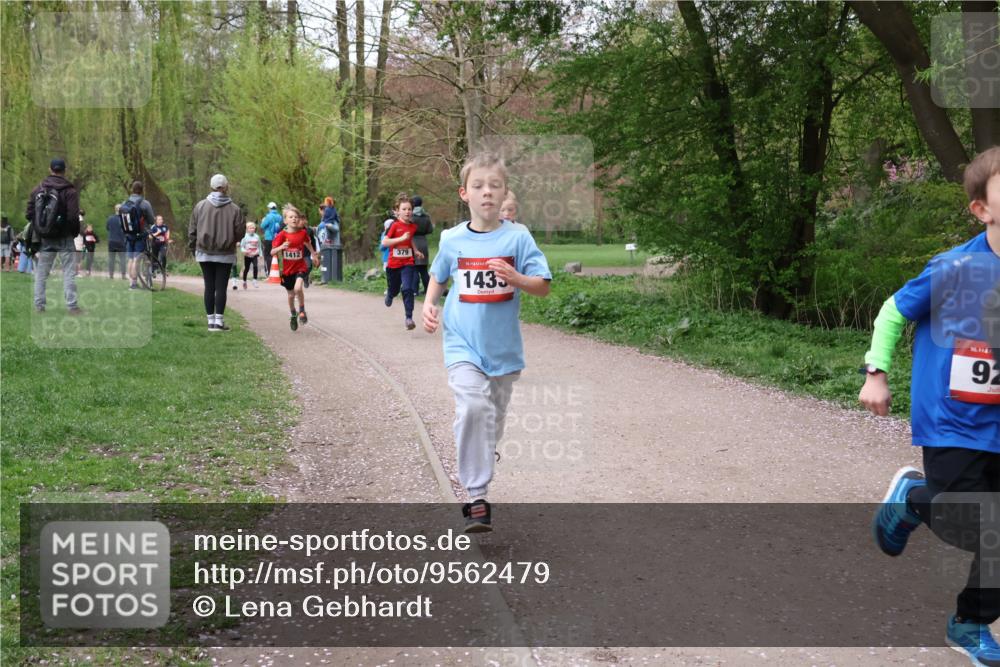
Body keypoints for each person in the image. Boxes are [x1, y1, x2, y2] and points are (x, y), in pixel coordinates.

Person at [860, 146, 1000, 666]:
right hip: (954, 422)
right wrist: (876, 372)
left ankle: (970, 624)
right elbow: (892, 313)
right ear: (981, 210)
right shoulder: (956, 268)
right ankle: (917, 499)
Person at [421, 153, 552, 532]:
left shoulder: (518, 237)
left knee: (491, 419)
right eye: (478, 186)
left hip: (503, 350)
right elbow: (438, 275)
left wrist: (515, 277)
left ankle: (482, 451)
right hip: (462, 343)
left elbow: (542, 286)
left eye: (494, 185)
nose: (487, 192)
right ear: (465, 194)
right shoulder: (451, 239)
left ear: (504, 192)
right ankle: (476, 498)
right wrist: (430, 305)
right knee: (473, 408)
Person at [188, 174, 243, 332]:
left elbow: (192, 230)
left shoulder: (200, 206)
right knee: (221, 287)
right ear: (226, 187)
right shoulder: (235, 209)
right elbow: (240, 232)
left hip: (204, 252)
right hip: (225, 253)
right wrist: (232, 240)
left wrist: (193, 248)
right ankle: (219, 322)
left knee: (209, 286)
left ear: (211, 187)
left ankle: (210, 321)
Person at [27, 158, 82, 314]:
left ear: (50, 169)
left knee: (41, 273)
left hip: (45, 237)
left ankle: (39, 306)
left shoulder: (38, 189)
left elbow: (29, 213)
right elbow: (73, 216)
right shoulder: (70, 191)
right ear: (64, 170)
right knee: (69, 272)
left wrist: (40, 227)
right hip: (65, 237)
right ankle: (72, 307)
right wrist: (73, 232)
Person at [270, 203, 318, 331]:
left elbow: (308, 242)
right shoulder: (282, 235)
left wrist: (314, 255)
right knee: (291, 295)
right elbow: (272, 252)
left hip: (300, 267)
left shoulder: (302, 233)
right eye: (291, 217)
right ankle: (293, 314)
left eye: (296, 217)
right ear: (285, 220)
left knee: (298, 288)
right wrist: (281, 247)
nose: (294, 219)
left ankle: (302, 310)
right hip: (287, 271)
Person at [383, 194, 425, 330]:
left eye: (409, 209)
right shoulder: (394, 226)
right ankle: (390, 293)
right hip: (393, 264)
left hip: (408, 262)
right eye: (404, 209)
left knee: (408, 288)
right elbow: (385, 242)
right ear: (398, 211)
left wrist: (416, 250)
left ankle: (409, 318)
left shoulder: (412, 227)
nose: (407, 211)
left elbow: (410, 239)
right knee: (395, 290)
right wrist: (400, 239)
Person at [120, 181, 155, 290]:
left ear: (132, 190)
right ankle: (134, 284)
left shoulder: (125, 203)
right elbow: (151, 220)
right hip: (140, 235)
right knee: (136, 259)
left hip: (128, 235)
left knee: (130, 259)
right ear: (142, 190)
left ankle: (131, 283)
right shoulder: (145, 203)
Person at [411, 195, 434, 296]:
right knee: (423, 269)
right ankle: (428, 290)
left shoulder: (410, 217)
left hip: (413, 242)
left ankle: (414, 290)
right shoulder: (426, 216)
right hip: (423, 242)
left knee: (414, 268)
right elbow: (430, 230)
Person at [260, 202, 283, 273]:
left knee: (267, 255)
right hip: (277, 238)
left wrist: (263, 221)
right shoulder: (280, 216)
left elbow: (262, 226)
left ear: (269, 208)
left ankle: (270, 272)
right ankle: (276, 272)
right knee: (275, 254)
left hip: (269, 238)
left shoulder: (268, 216)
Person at [105, 205, 127, 279]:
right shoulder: (124, 219)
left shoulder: (110, 218)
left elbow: (107, 228)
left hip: (111, 240)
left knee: (111, 259)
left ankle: (111, 275)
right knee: (123, 259)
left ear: (115, 210)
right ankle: (123, 275)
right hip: (121, 241)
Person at [240, 221, 262, 288]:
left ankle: (254, 280)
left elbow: (259, 246)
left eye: (253, 228)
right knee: (246, 268)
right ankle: (244, 281)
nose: (252, 229)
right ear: (247, 229)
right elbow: (242, 246)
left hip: (255, 254)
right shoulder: (245, 237)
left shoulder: (257, 237)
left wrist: (260, 254)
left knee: (255, 266)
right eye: (250, 228)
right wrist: (244, 251)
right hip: (247, 255)